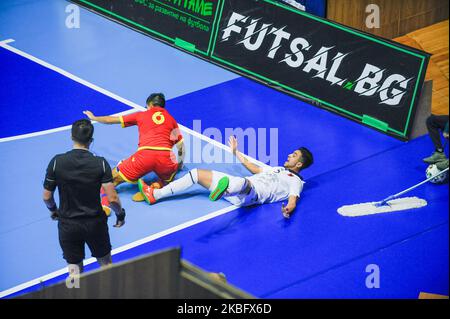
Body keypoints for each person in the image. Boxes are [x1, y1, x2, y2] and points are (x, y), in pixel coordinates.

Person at [138, 136, 313, 218]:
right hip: (240, 190)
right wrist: (236, 152)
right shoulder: (277, 169)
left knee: (244, 182)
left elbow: (292, 200)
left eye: (295, 155)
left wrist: (288, 210)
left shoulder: (296, 181)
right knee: (196, 174)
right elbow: (254, 169)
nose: (290, 155)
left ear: (299, 164)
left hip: (253, 195)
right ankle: (156, 195)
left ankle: (225, 191)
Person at [43, 119, 126, 276]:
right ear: (91, 140)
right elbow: (113, 198)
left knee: (74, 272)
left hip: (68, 225)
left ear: (72, 137)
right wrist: (120, 214)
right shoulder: (101, 164)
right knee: (107, 265)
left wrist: (54, 211)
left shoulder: (56, 162)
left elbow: (47, 197)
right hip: (95, 224)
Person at [83, 93, 185, 205]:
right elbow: (181, 147)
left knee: (112, 178)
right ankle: (155, 187)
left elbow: (110, 120)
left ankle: (105, 202)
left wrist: (94, 118)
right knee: (168, 179)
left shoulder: (141, 115)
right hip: (165, 159)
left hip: (145, 156)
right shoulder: (172, 120)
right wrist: (178, 165)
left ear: (150, 105)